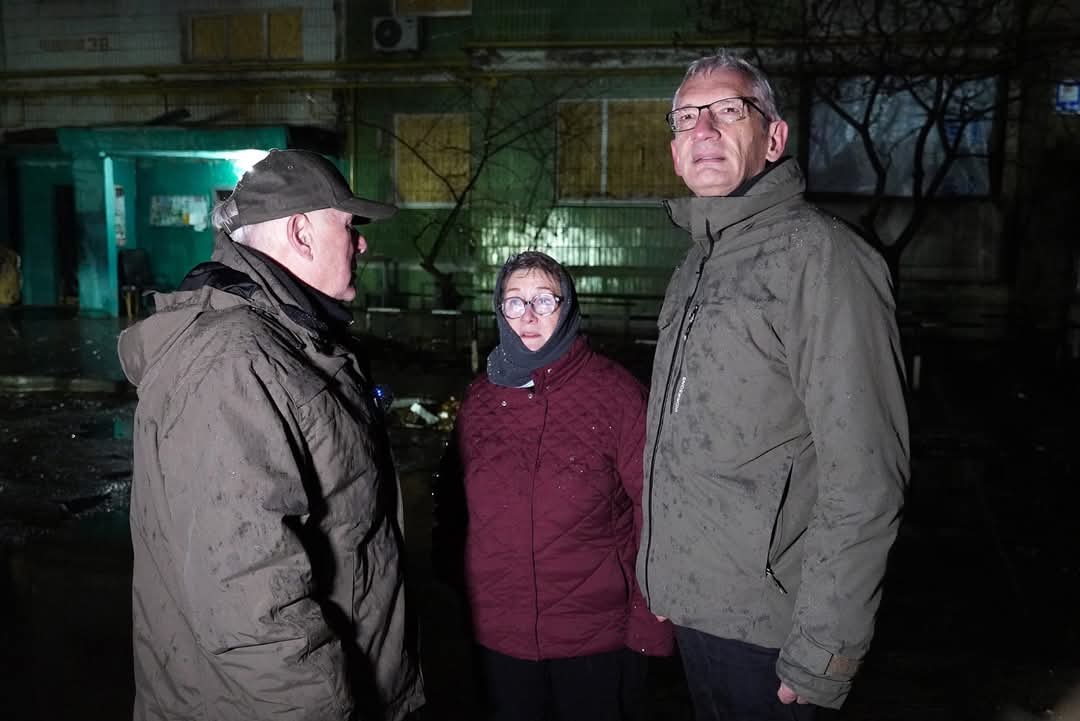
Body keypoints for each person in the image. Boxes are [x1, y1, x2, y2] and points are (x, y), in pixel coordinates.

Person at [636, 52, 910, 720]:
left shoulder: (821, 258)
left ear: (774, 137)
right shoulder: (696, 264)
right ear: (674, 151)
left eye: (728, 110)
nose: (703, 130)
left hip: (771, 630)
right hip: (698, 608)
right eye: (686, 118)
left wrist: (825, 649)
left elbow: (866, 473)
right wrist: (665, 574)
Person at [118, 149, 425, 721]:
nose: (361, 244)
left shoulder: (288, 340)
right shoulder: (234, 363)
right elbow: (250, 600)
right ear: (301, 233)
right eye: (348, 226)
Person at [433, 251, 673, 721]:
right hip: (500, 637)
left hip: (596, 639)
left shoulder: (616, 395)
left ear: (567, 308)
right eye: (514, 301)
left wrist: (650, 622)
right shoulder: (480, 399)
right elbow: (455, 503)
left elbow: (657, 510)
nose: (528, 315)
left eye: (544, 300)